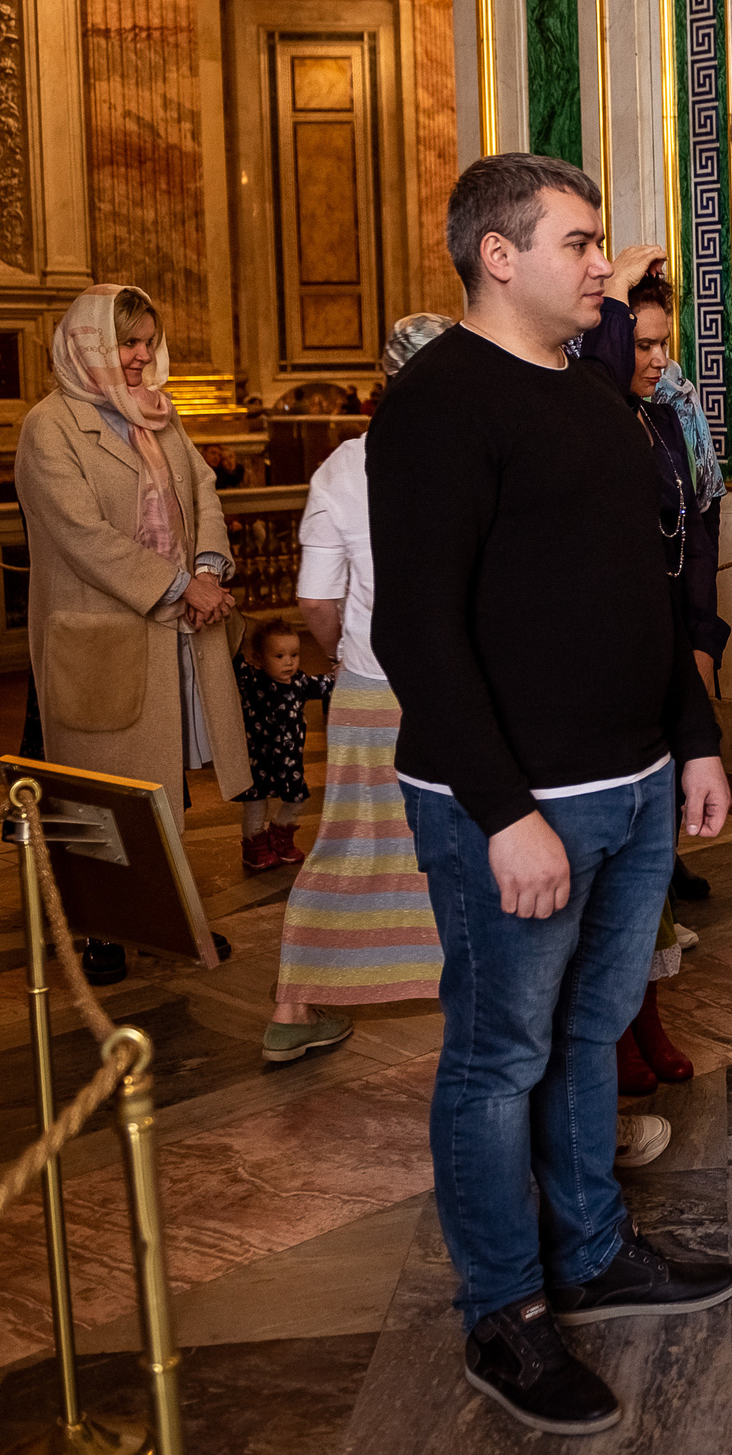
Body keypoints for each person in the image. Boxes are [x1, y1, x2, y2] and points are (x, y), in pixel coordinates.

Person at [370, 153, 732, 1437]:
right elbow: (417, 632)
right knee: (496, 1056)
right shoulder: (435, 405)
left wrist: (691, 739)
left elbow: (647, 596)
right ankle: (506, 1309)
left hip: (632, 787)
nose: (605, 265)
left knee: (590, 1038)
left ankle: (591, 1247)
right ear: (498, 256)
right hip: (517, 804)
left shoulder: (596, 398)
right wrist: (501, 809)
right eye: (580, 244)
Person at [265, 313, 451, 1067]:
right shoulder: (478, 451)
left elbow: (315, 596)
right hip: (462, 688)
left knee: (351, 839)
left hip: (371, 684)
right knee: (470, 841)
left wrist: (347, 650)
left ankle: (291, 1006)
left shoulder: (342, 466)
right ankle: (472, 988)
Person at [14, 285, 253, 840]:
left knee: (166, 787)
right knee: (103, 794)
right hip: (101, 638)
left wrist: (208, 572)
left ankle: (157, 922)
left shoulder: (156, 413)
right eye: (129, 343)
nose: (144, 356)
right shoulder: (49, 426)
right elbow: (82, 536)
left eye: (149, 342)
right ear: (90, 344)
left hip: (176, 628)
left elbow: (202, 489)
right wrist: (180, 586)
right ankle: (100, 922)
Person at [572, 258, 728, 1104]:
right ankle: (616, 1026)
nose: (660, 361)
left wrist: (700, 641)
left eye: (667, 343)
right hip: (611, 671)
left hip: (670, 648)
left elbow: (694, 539)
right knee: (610, 873)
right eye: (643, 342)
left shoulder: (666, 421)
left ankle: (649, 1012)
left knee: (653, 861)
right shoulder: (589, 413)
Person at [232, 618, 336, 874]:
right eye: (279, 656)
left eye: (294, 654)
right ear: (259, 659)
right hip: (258, 761)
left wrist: (345, 672)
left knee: (297, 799)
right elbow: (232, 661)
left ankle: (280, 836)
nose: (289, 662)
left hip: (289, 761)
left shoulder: (299, 683)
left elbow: (326, 684)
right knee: (256, 806)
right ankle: (254, 846)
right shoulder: (254, 683)